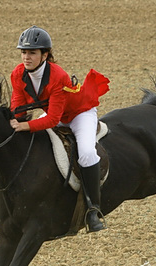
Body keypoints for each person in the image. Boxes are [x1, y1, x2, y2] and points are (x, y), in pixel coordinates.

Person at [9, 25, 110, 232]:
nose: (26, 57)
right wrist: (13, 122)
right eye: (24, 52)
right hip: (55, 114)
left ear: (45, 55)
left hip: (79, 114)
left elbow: (53, 119)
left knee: (87, 153)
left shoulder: (57, 76)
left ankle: (93, 210)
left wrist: (25, 125)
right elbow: (17, 107)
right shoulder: (18, 73)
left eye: (32, 53)